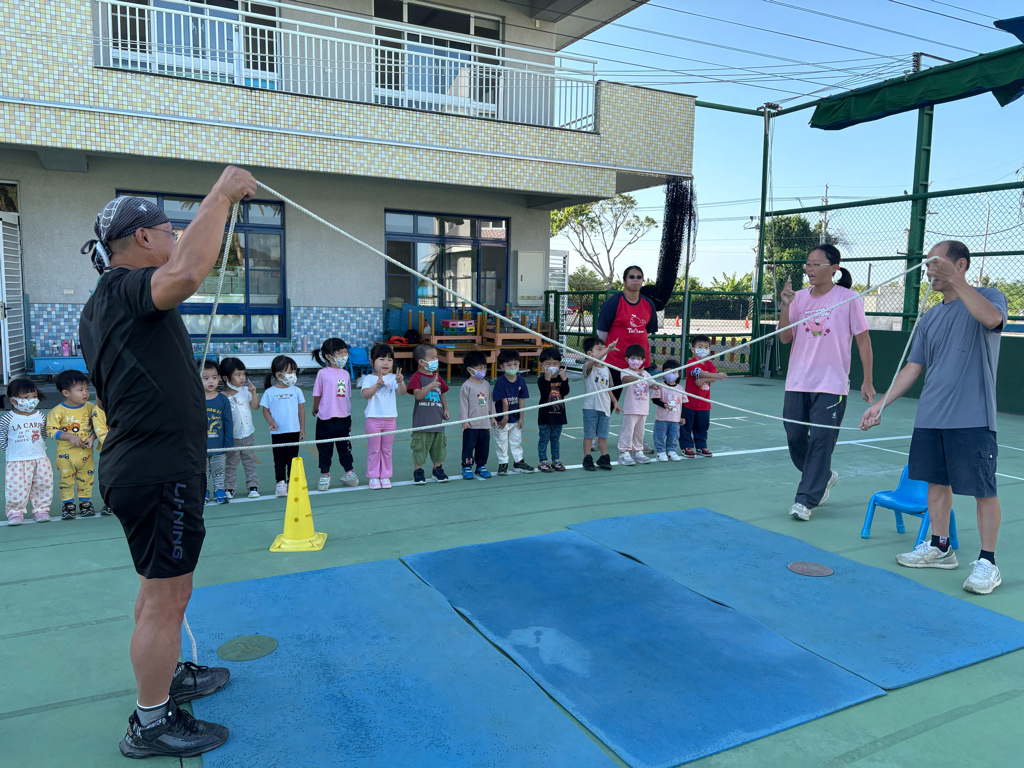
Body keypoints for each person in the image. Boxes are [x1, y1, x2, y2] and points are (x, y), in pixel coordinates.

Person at [79, 168, 255, 758]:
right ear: (143, 238)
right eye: (168, 230)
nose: (176, 239)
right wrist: (221, 195)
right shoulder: (123, 289)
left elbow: (178, 272)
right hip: (157, 472)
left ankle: (167, 674)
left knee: (161, 590)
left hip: (150, 467)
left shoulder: (107, 303)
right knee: (165, 598)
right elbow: (185, 274)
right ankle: (150, 722)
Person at [861, 241, 1008, 595]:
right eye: (927, 265)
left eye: (936, 263)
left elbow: (992, 319)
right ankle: (941, 547)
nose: (929, 270)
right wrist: (881, 405)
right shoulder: (929, 317)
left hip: (973, 417)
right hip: (930, 417)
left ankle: (988, 562)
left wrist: (955, 280)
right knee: (936, 485)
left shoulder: (989, 296)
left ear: (961, 264)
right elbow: (914, 368)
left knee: (983, 490)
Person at [778, 244, 874, 522]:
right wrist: (785, 305)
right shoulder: (797, 298)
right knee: (795, 437)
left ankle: (805, 500)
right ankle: (824, 476)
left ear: (834, 268)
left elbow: (863, 340)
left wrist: (867, 380)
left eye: (816, 264)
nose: (810, 269)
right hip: (797, 382)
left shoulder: (849, 298)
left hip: (831, 385)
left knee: (821, 441)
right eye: (808, 264)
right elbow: (785, 337)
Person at [597, 265, 658, 454]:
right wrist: (604, 353)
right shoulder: (614, 302)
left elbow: (648, 330)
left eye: (639, 277)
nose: (635, 280)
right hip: (615, 361)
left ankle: (637, 441)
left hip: (639, 364)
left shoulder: (648, 304)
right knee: (608, 401)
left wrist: (638, 356)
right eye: (631, 276)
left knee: (640, 403)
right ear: (624, 280)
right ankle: (598, 437)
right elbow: (602, 331)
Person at [46, 370, 103, 519]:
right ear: (66, 393)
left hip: (86, 454)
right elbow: (51, 430)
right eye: (80, 390)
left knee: (87, 479)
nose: (85, 393)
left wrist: (92, 437)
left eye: (87, 389)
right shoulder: (57, 411)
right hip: (65, 455)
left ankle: (85, 503)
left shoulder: (91, 408)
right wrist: (69, 436)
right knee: (66, 480)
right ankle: (68, 505)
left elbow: (98, 426)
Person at [311, 338, 359, 491]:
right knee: (325, 449)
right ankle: (325, 474)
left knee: (345, 447)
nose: (343, 356)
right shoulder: (322, 373)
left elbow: (346, 396)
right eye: (339, 353)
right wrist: (315, 408)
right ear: (328, 356)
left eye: (345, 352)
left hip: (343, 418)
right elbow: (317, 394)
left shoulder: (346, 374)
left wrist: (347, 415)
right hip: (326, 419)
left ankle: (349, 472)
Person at [2, 378, 52, 524]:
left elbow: (43, 434)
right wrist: (12, 451)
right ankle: (15, 512)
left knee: (43, 485)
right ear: (13, 400)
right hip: (16, 460)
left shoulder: (40, 416)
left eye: (34, 396)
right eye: (25, 397)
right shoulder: (8, 418)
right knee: (16, 488)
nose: (31, 400)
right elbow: (2, 438)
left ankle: (41, 510)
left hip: (40, 458)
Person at [359, 343, 406, 489]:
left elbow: (402, 392)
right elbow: (366, 395)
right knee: (374, 449)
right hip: (373, 420)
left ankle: (385, 476)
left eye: (389, 360)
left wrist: (400, 382)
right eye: (381, 359)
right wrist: (377, 385)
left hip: (390, 420)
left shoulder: (393, 378)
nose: (386, 363)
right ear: (372, 362)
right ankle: (373, 476)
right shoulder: (368, 378)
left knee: (387, 449)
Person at [260, 355, 305, 498]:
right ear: (278, 375)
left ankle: (292, 482)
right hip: (277, 433)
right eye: (290, 372)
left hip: (293, 431)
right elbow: (265, 411)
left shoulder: (296, 391)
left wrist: (302, 428)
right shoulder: (269, 392)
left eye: (294, 372)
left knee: (293, 458)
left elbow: (301, 410)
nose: (293, 375)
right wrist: (271, 422)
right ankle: (280, 483)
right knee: (279, 460)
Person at [407, 343, 450, 485]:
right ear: (421, 361)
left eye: (436, 357)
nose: (436, 360)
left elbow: (442, 393)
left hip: (437, 420)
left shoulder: (437, 377)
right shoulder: (416, 377)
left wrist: (445, 409)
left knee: (439, 447)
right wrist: (430, 385)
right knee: (420, 447)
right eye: (432, 358)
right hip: (422, 422)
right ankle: (418, 471)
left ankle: (437, 469)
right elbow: (418, 395)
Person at [680, 335, 727, 458]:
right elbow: (700, 372)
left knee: (702, 426)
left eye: (706, 347)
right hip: (690, 402)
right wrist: (716, 375)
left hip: (704, 403)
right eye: (700, 347)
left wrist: (705, 379)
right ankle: (686, 446)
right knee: (687, 425)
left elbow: (711, 378)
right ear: (693, 349)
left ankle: (701, 446)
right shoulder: (691, 363)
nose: (703, 350)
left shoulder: (709, 364)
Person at [219, 357, 260, 499]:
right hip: (232, 437)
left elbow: (255, 406)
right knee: (231, 464)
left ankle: (253, 486)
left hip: (248, 434)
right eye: (237, 375)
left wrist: (253, 393)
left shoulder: (245, 391)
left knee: (250, 462)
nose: (242, 377)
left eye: (243, 374)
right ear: (225, 378)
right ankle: (229, 487)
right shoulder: (221, 397)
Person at [492, 349, 535, 475]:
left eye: (515, 364)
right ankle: (503, 464)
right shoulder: (500, 382)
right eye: (508, 365)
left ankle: (518, 462)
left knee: (516, 440)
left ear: (519, 364)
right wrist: (505, 418)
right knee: (501, 442)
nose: (512, 367)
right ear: (502, 367)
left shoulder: (521, 381)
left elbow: (521, 399)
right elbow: (504, 402)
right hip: (502, 419)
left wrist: (521, 418)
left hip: (515, 418)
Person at [581, 336, 618, 471]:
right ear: (589, 353)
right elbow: (593, 361)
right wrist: (608, 349)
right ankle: (587, 458)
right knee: (589, 435)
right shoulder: (588, 367)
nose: (603, 352)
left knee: (603, 435)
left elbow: (607, 388)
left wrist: (614, 401)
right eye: (599, 349)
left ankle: (604, 457)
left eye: (603, 349)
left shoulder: (606, 369)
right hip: (590, 407)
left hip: (605, 408)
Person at [459, 350, 495, 480]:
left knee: (483, 446)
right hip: (471, 424)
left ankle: (481, 466)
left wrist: (493, 416)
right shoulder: (466, 386)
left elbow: (490, 402)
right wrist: (465, 420)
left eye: (484, 367)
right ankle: (467, 466)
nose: (483, 370)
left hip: (484, 423)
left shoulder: (486, 385)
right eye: (480, 368)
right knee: (469, 446)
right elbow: (463, 405)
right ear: (470, 369)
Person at [202, 361, 233, 505]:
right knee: (203, 470)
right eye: (206, 378)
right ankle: (204, 490)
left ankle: (219, 489)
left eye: (214, 377)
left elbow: (228, 421)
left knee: (219, 468)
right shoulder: (195, 399)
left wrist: (229, 441)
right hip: (200, 446)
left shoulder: (223, 399)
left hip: (218, 444)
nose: (211, 381)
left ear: (219, 378)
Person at [618, 344, 654, 466]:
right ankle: (624, 452)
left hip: (643, 409)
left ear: (643, 360)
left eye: (638, 359)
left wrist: (656, 386)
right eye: (633, 358)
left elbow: (652, 384)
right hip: (631, 409)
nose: (636, 361)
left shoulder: (646, 374)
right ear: (627, 359)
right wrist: (637, 376)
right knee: (628, 431)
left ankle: (638, 451)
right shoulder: (625, 372)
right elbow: (625, 380)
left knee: (639, 432)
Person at [536, 348, 570, 473]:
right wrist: (547, 378)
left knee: (555, 439)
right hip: (545, 416)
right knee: (544, 439)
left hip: (558, 415)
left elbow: (565, 392)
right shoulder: (541, 380)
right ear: (542, 366)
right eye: (548, 364)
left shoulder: (561, 379)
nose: (552, 366)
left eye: (555, 364)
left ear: (560, 364)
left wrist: (564, 378)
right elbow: (545, 393)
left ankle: (556, 459)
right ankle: (543, 460)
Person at [651, 358, 686, 462]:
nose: (671, 374)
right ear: (663, 373)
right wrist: (664, 405)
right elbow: (655, 399)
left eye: (674, 372)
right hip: (662, 418)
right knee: (660, 435)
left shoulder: (680, 388)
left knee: (673, 435)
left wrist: (682, 416)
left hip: (675, 419)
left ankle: (671, 450)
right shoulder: (660, 386)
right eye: (667, 371)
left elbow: (683, 403)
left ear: (679, 373)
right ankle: (660, 451)